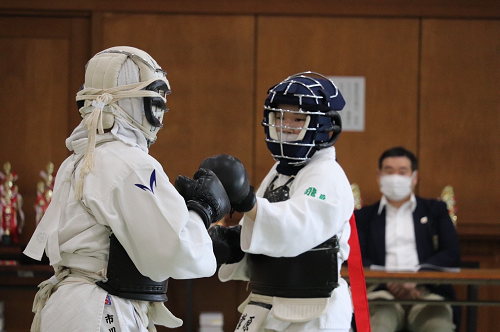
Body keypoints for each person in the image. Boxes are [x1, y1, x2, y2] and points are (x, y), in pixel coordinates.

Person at [23, 46, 231, 332]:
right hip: (100, 307)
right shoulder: (130, 163)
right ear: (133, 102)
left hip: (66, 305)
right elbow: (177, 253)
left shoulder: (77, 160)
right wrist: (201, 210)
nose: (159, 114)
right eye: (155, 103)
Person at [203, 72, 355, 332]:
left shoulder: (327, 174)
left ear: (321, 125)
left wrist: (247, 201)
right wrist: (233, 243)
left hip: (313, 311)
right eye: (279, 117)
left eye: (297, 119)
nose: (286, 126)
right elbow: (264, 227)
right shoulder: (279, 171)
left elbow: (296, 228)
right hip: (267, 301)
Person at [354, 146, 461, 332]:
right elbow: (356, 258)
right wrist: (389, 281)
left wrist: (417, 276)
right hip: (380, 292)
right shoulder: (364, 217)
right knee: (377, 326)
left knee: (437, 326)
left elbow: (451, 253)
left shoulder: (435, 211)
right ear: (379, 176)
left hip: (426, 292)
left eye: (402, 171)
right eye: (389, 171)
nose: (395, 177)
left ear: (414, 177)